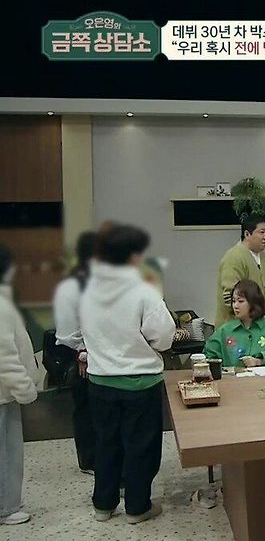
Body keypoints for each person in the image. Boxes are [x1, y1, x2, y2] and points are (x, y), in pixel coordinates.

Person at [80, 223, 176, 524]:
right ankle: (137, 507)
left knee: (106, 442)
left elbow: (77, 332)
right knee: (140, 446)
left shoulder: (88, 291)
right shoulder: (142, 291)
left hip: (100, 381)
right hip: (139, 382)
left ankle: (103, 505)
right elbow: (164, 335)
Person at [0, 245, 42, 526]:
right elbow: (5, 356)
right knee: (6, 453)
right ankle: (6, 507)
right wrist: (25, 389)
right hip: (4, 394)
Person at [52, 231, 97, 474]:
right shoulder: (73, 286)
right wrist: (82, 352)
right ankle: (89, 460)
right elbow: (68, 332)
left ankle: (97, 458)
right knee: (87, 409)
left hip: (95, 354)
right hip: (80, 356)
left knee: (95, 409)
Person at [205, 279, 265, 370]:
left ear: (253, 302)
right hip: (232, 378)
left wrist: (260, 360)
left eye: (240, 301)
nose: (235, 306)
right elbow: (207, 357)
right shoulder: (224, 331)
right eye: (233, 301)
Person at [215, 216, 265, 326]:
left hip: (260, 326)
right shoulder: (234, 257)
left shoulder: (264, 258)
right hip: (235, 328)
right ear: (247, 234)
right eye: (261, 232)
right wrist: (248, 319)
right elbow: (229, 296)